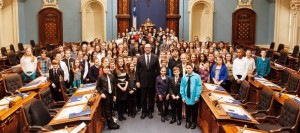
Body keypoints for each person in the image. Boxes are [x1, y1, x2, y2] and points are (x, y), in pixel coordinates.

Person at [136, 44, 160, 119]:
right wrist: (137, 81)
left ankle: (150, 112)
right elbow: (137, 71)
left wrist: (157, 81)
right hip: (142, 81)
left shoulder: (155, 57)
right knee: (143, 98)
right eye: (146, 47)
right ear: (144, 48)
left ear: (151, 48)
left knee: (151, 98)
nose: (147, 49)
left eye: (149, 47)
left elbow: (158, 70)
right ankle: (144, 112)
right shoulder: (140, 58)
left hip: (152, 81)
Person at [180, 63, 202, 129]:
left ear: (192, 68)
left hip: (194, 97)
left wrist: (197, 96)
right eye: (187, 68)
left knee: (194, 111)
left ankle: (194, 122)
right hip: (187, 97)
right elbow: (182, 87)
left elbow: (199, 87)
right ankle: (188, 121)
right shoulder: (184, 77)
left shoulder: (197, 76)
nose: (188, 69)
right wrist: (183, 96)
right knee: (188, 110)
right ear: (185, 69)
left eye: (190, 68)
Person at [113, 57, 128, 121]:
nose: (121, 63)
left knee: (123, 102)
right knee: (119, 102)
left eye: (122, 61)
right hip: (119, 88)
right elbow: (115, 81)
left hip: (125, 87)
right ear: (117, 63)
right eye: (119, 62)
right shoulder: (115, 70)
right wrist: (121, 88)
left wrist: (125, 87)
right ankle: (120, 115)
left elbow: (127, 79)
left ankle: (122, 115)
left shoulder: (125, 69)